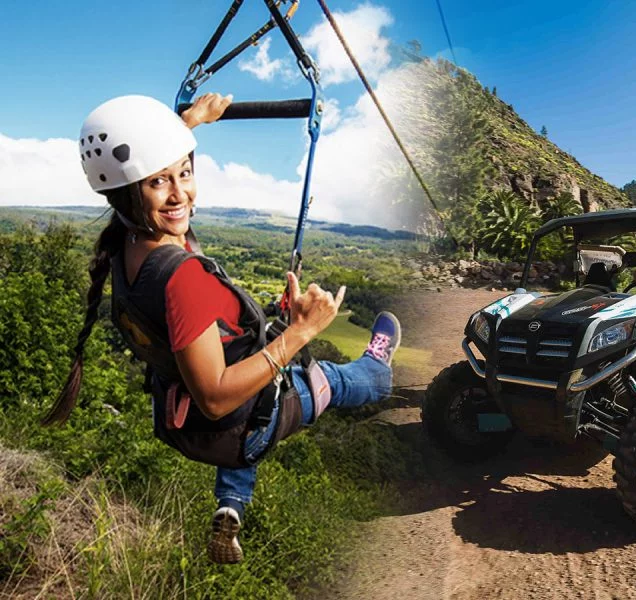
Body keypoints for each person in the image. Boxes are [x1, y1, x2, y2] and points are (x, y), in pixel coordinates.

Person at [42, 93, 401, 564]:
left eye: (184, 173)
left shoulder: (127, 248)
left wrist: (187, 123)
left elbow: (152, 181)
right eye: (158, 182)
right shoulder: (181, 279)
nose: (180, 194)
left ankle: (231, 503)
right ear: (129, 192)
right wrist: (301, 332)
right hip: (228, 418)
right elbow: (215, 396)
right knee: (328, 378)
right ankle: (379, 370)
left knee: (245, 415)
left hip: (186, 425)